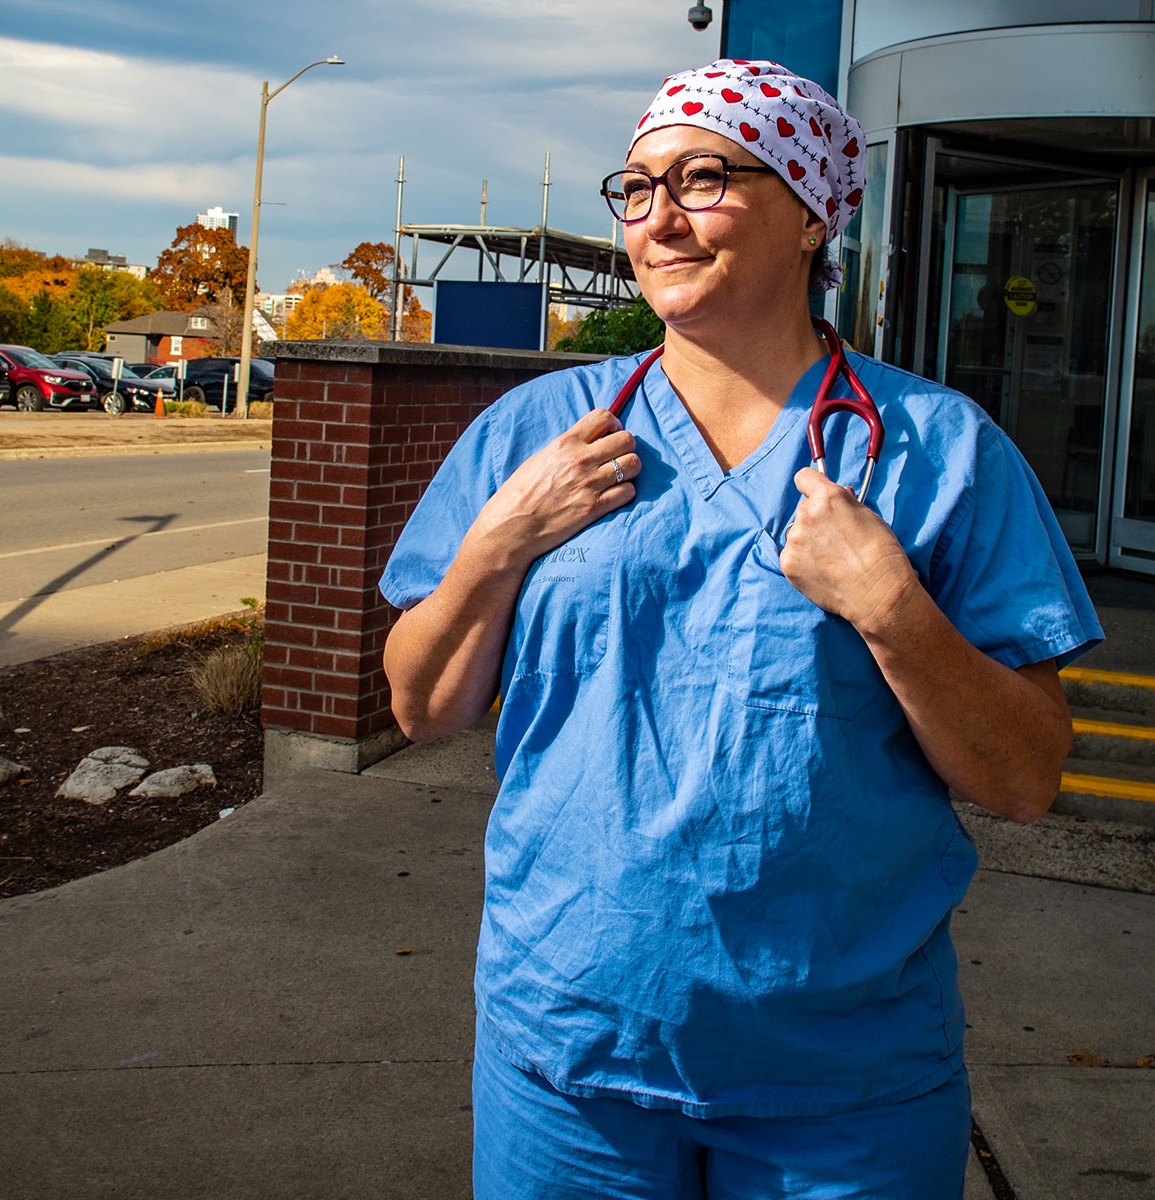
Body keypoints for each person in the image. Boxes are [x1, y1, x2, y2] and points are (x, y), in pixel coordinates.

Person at [381, 59, 1101, 1199]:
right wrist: (501, 540)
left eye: (705, 178)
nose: (659, 217)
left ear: (813, 212)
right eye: (639, 186)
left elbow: (1024, 777)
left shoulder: (939, 452)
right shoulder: (537, 432)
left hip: (844, 1087)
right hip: (572, 1058)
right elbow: (422, 707)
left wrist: (891, 607)